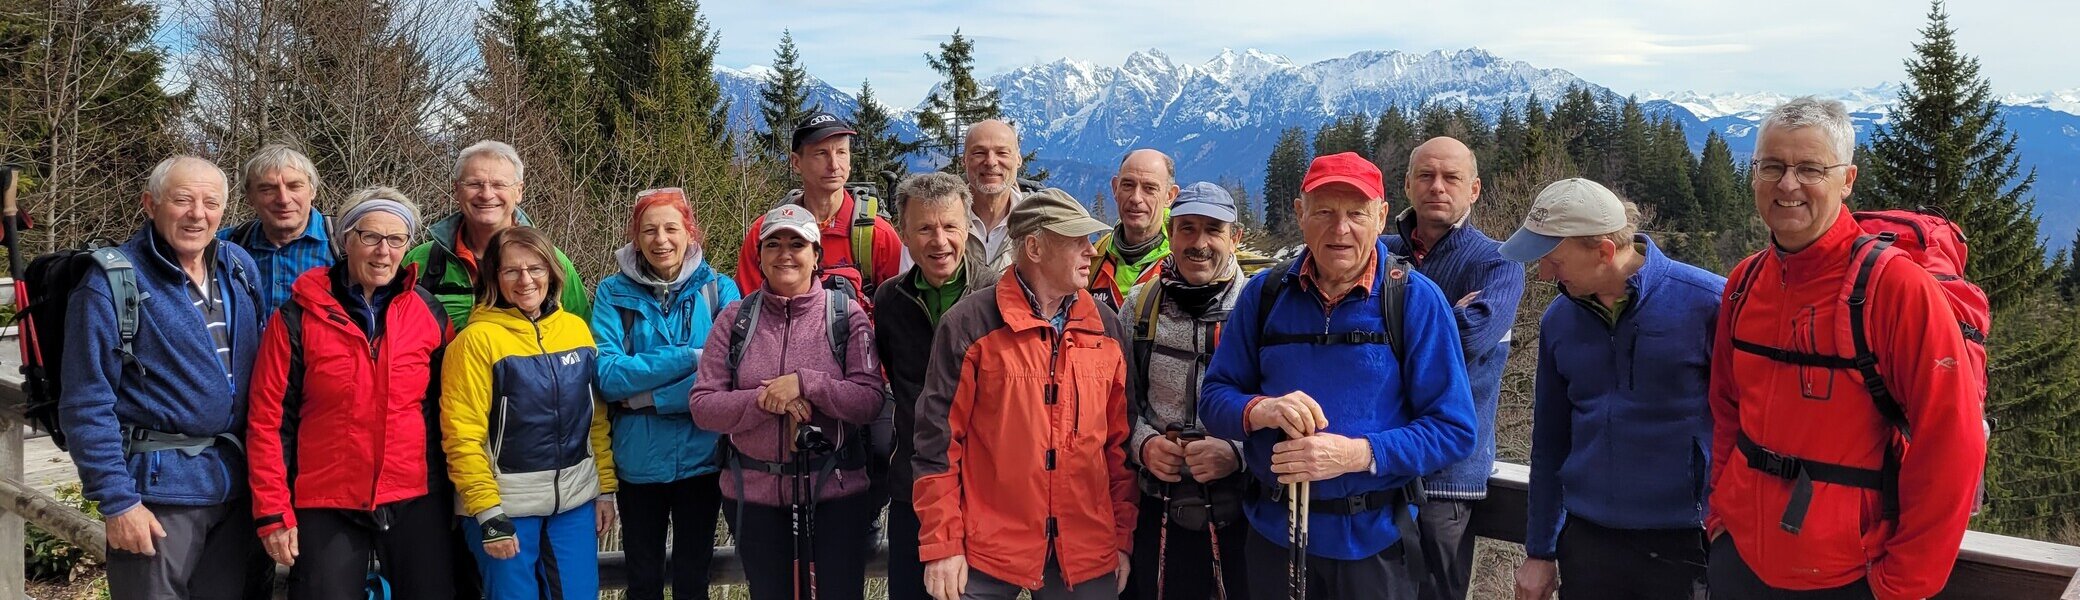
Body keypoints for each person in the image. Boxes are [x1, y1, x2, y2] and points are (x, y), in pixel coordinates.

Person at [1706, 97, 1986, 599]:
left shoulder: (1894, 289)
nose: (1787, 184)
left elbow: (1953, 442)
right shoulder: (1745, 282)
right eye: (1772, 166)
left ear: (1847, 179)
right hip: (1742, 559)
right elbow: (1727, 411)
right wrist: (1720, 516)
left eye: (1810, 168)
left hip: (1849, 574)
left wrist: (1901, 585)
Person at [1200, 152, 1476, 600]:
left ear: (1382, 215)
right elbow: (1214, 399)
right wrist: (1261, 409)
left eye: (1356, 214)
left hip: (1375, 549)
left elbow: (1454, 430)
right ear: (1300, 213)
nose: (1340, 228)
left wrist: (1355, 454)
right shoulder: (1264, 296)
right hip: (1273, 539)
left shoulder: (1414, 301)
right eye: (1325, 212)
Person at [1497, 178, 1720, 600]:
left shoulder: (1708, 304)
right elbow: (1549, 444)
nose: (1544, 274)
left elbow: (1748, 423)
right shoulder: (1559, 321)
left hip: (1690, 542)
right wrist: (1540, 550)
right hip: (1588, 545)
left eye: (1554, 260)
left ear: (1603, 251)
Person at [58, 156, 268, 600]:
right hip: (156, 495)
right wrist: (118, 502)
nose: (198, 213)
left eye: (211, 202)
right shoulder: (112, 282)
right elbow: (86, 402)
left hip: (232, 487)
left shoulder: (238, 268)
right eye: (182, 200)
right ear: (150, 204)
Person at [912, 189, 1136, 600]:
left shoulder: (1105, 326)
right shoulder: (968, 325)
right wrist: (942, 545)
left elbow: (1119, 448)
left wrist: (1121, 539)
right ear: (1034, 246)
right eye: (1077, 240)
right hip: (986, 551)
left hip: (1086, 551)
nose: (1091, 251)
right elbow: (937, 446)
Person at [245, 186, 457, 599]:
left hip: (414, 494)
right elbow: (268, 421)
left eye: (396, 239)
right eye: (370, 237)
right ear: (345, 240)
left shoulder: (428, 312)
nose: (383, 251)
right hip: (327, 498)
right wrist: (273, 511)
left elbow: (447, 408)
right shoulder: (297, 316)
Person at [690, 204, 887, 600]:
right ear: (759, 257)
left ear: (817, 256)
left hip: (834, 494)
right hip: (754, 495)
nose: (785, 253)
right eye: (773, 244)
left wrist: (805, 384)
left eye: (797, 243)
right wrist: (767, 400)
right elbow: (703, 405)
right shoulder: (735, 320)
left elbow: (869, 400)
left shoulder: (845, 317)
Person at [1379, 137, 1525, 600]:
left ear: (1475, 189)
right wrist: (1444, 309)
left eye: (1451, 178)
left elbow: (1469, 338)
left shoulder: (1498, 262)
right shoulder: (1376, 251)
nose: (1436, 187)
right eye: (1425, 175)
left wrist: (1382, 325)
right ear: (1406, 184)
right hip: (1375, 464)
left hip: (1447, 477)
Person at [440, 226, 618, 600]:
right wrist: (486, 511)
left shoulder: (575, 330)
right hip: (505, 507)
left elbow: (595, 419)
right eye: (512, 271)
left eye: (535, 268)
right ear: (494, 277)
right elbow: (462, 434)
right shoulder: (476, 341)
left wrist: (605, 489)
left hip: (574, 502)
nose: (526, 280)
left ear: (552, 271)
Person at [591, 187, 740, 600]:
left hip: (702, 458)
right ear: (634, 237)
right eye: (649, 230)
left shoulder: (719, 290)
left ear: (689, 232)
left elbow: (730, 374)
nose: (662, 240)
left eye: (671, 228)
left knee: (694, 579)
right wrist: (691, 356)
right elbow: (608, 376)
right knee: (642, 581)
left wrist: (649, 398)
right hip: (638, 461)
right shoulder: (612, 294)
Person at [1119, 182, 1252, 600]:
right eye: (1187, 229)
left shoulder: (1261, 308)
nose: (1199, 243)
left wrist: (1236, 454)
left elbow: (1284, 406)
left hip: (1244, 510)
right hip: (1156, 503)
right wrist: (1143, 445)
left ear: (1236, 237)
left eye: (1213, 230)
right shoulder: (1140, 306)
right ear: (1170, 234)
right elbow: (1115, 403)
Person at [871, 172, 976, 600]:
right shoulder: (888, 300)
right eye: (925, 228)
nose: (940, 241)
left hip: (982, 485)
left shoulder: (996, 294)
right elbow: (895, 378)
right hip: (911, 482)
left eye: (950, 226)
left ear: (967, 229)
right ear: (904, 236)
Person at [404, 140, 591, 326]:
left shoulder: (553, 262)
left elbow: (585, 338)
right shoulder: (421, 262)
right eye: (475, 184)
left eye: (499, 185)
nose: (486, 194)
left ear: (519, 192)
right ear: (457, 190)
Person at [735, 112, 903, 301]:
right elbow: (749, 310)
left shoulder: (877, 235)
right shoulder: (765, 233)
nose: (834, 165)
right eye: (821, 153)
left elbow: (898, 313)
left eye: (841, 152)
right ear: (796, 163)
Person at [218, 144, 332, 318]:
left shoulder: (346, 243)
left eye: (294, 186)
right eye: (267, 189)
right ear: (249, 197)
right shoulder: (225, 246)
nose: (284, 199)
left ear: (313, 190)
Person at [1088, 149, 1179, 309]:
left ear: (1169, 196)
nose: (1136, 198)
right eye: (1128, 185)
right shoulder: (1095, 257)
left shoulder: (1182, 260)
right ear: (1115, 188)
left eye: (1149, 188)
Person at [959, 119, 1033, 286]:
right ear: (964, 160)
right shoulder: (941, 220)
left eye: (1002, 153)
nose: (991, 162)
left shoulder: (1039, 221)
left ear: (1018, 159)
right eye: (979, 153)